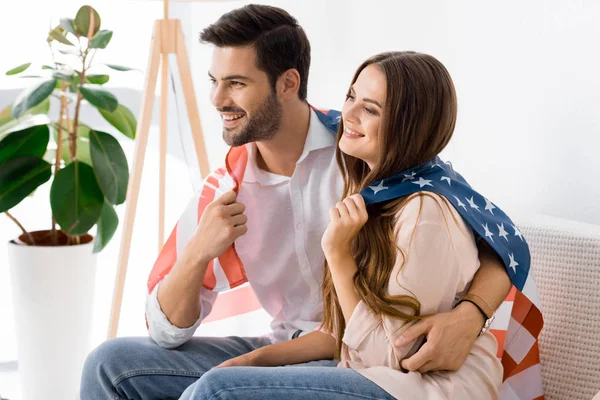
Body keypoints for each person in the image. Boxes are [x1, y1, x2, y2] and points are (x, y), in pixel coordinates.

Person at [80, 5, 512, 400]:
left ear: (288, 83)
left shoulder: (370, 157)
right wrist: (197, 253)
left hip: (365, 356)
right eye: (215, 82)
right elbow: (164, 331)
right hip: (294, 347)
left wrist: (473, 313)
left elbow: (490, 237)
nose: (217, 100)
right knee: (110, 365)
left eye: (236, 83)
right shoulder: (227, 189)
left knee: (216, 390)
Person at [181, 50, 509, 400]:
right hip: (370, 373)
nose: (347, 115)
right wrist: (255, 360)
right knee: (181, 377)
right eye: (351, 96)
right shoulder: (372, 191)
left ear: (407, 126)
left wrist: (338, 255)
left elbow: (390, 357)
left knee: (217, 392)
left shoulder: (425, 210)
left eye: (370, 109)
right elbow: (343, 331)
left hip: (423, 388)